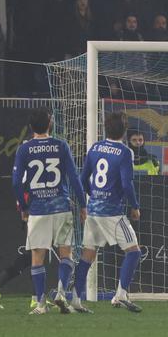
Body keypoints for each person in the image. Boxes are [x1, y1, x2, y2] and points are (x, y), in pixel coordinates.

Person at [11, 108, 88, 315]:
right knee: (66, 253)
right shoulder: (61, 145)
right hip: (61, 207)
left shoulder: (24, 149)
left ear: (31, 127)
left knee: (37, 257)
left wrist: (23, 207)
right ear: (49, 124)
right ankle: (62, 293)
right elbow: (74, 178)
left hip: (38, 210)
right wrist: (83, 205)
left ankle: (41, 305)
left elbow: (17, 183)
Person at [80, 111, 142, 312]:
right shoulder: (125, 152)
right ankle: (121, 295)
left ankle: (72, 297)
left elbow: (83, 180)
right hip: (112, 213)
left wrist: (94, 197)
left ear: (105, 128)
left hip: (93, 210)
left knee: (88, 254)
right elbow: (126, 183)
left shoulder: (95, 147)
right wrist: (134, 206)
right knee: (133, 252)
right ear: (124, 131)